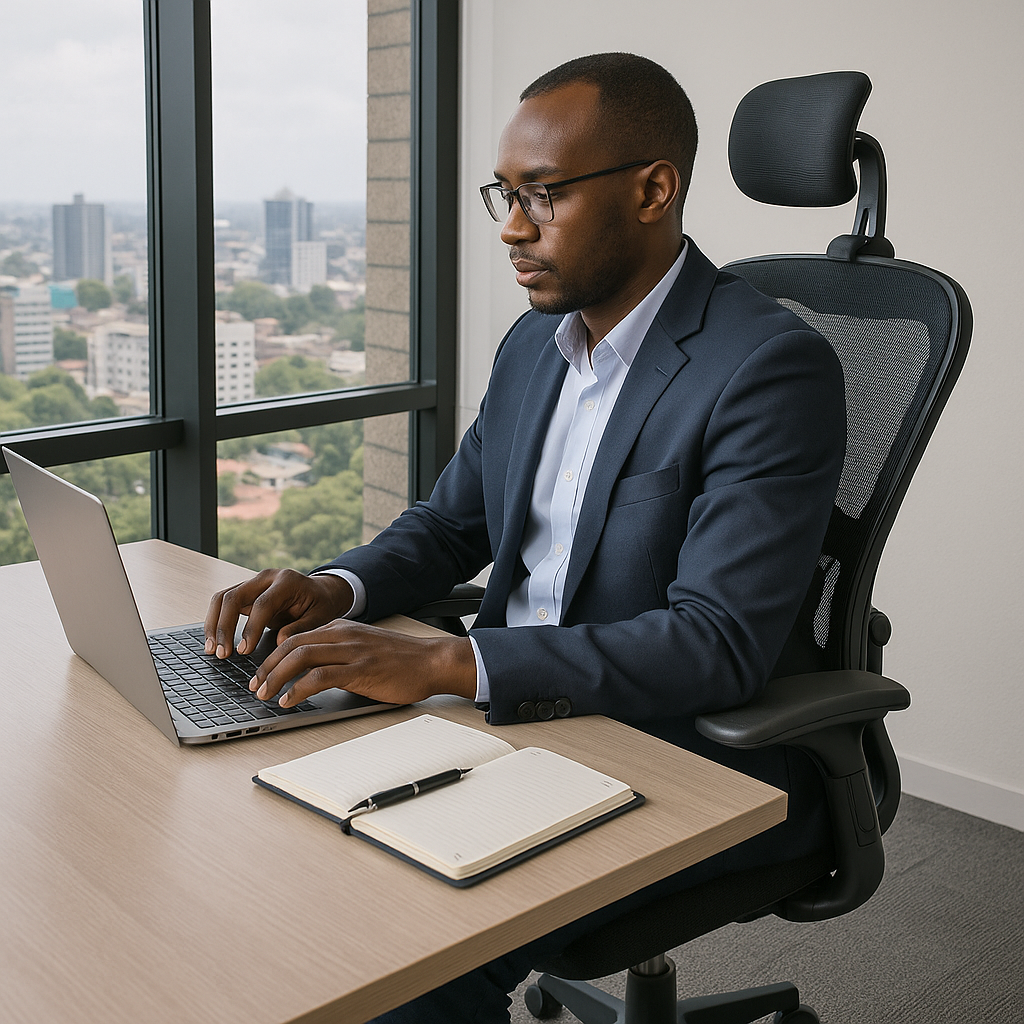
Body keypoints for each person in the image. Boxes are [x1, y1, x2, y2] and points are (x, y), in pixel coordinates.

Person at [206, 53, 846, 1023]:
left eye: (543, 195)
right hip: (515, 720)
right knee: (285, 862)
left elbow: (715, 640)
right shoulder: (533, 345)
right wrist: (338, 588)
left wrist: (450, 665)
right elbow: (450, 523)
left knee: (399, 968)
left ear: (652, 189)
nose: (511, 226)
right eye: (504, 193)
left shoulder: (766, 366)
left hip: (682, 747)